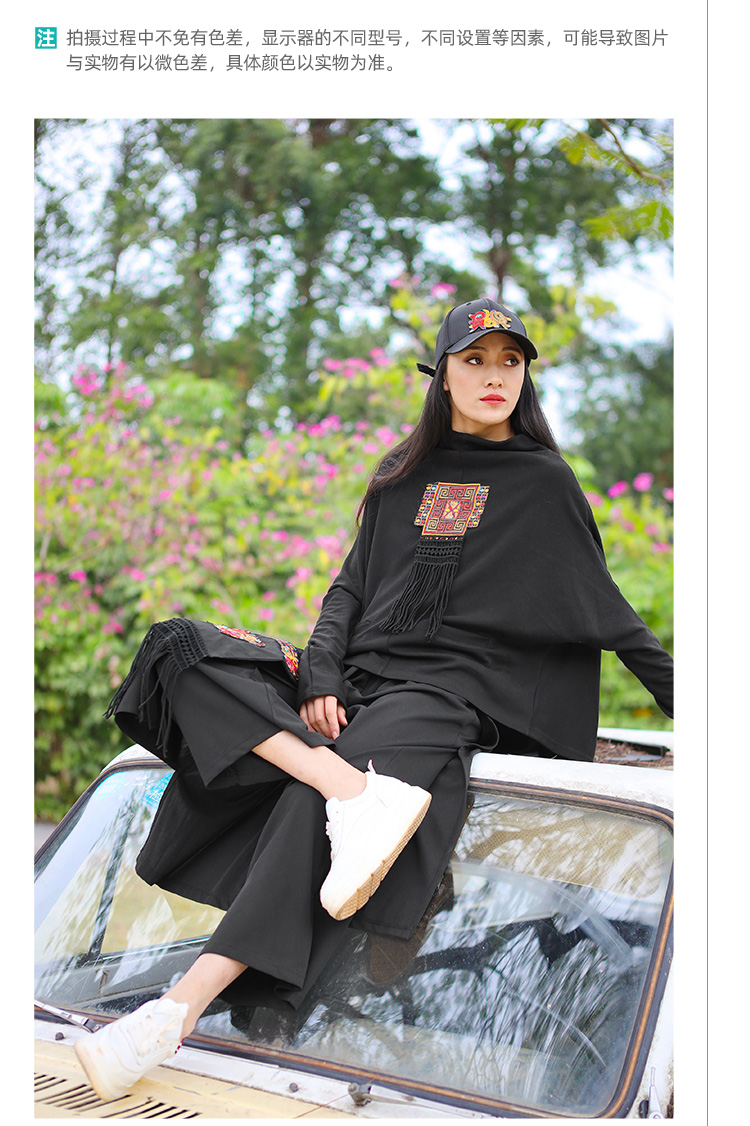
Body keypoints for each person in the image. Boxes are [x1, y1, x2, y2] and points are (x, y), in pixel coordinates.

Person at [75, 297, 674, 1100]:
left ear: (525, 375)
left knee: (306, 803)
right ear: (443, 375)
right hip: (360, 681)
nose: (494, 376)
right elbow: (350, 589)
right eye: (475, 360)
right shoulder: (404, 473)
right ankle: (353, 794)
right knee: (183, 650)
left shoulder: (544, 482)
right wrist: (319, 674)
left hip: (451, 690)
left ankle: (172, 1013)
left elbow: (610, 614)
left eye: (510, 361)